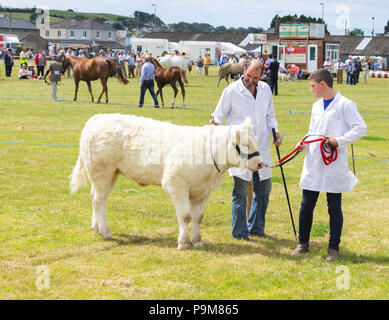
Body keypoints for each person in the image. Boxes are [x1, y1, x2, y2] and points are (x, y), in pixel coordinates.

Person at [291, 69, 366, 261]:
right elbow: (312, 130)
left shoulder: (346, 105)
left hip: (333, 162)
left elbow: (360, 128)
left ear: (323, 84)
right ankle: (303, 243)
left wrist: (338, 140)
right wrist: (304, 143)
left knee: (334, 206)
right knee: (306, 204)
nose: (312, 89)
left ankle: (333, 248)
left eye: (313, 86)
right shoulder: (316, 106)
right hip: (314, 162)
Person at [210, 59, 282, 240]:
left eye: (256, 78)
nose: (251, 80)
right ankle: (240, 233)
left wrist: (276, 134)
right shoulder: (231, 91)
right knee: (240, 192)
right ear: (244, 70)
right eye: (249, 76)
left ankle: (257, 227)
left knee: (264, 190)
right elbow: (217, 117)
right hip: (241, 151)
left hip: (262, 149)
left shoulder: (265, 90)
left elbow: (270, 116)